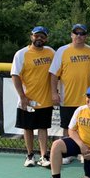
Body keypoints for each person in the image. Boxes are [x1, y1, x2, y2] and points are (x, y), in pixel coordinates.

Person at [49, 24, 90, 164]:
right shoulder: (62, 51)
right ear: (71, 35)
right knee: (67, 127)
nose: (79, 36)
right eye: (76, 33)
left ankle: (84, 152)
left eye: (82, 33)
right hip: (68, 98)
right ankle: (68, 153)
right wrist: (54, 92)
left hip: (88, 100)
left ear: (86, 36)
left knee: (87, 127)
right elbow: (53, 74)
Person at [11, 26, 55, 167]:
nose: (39, 38)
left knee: (43, 128)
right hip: (28, 100)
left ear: (46, 38)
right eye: (37, 36)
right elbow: (15, 75)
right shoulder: (21, 54)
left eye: (42, 36)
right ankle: (30, 155)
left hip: (45, 99)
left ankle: (44, 156)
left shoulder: (51, 52)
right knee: (28, 128)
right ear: (32, 37)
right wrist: (22, 97)